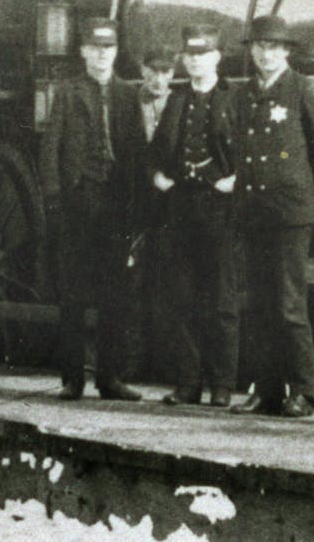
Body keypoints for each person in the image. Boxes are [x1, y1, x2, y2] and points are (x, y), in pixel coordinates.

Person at [230, 15, 314, 419]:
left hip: (290, 214)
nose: (265, 53)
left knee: (291, 303)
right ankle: (267, 389)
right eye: (259, 46)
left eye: (274, 47)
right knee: (258, 303)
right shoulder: (245, 96)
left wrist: (301, 190)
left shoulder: (304, 90)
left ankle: (304, 392)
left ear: (287, 51)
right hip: (253, 211)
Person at [39, 18, 144, 402]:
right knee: (73, 292)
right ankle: (72, 378)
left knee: (115, 293)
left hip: (115, 201)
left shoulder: (128, 95)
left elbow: (135, 153)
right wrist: (54, 197)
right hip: (78, 200)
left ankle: (110, 378)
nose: (102, 55)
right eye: (95, 48)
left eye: (109, 48)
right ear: (84, 51)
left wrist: (137, 204)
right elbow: (50, 147)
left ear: (116, 52)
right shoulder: (67, 92)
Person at [146, 24, 239, 407]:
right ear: (183, 60)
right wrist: (158, 176)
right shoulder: (177, 100)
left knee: (220, 299)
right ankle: (188, 383)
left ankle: (221, 386)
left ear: (217, 58)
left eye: (204, 55)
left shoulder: (235, 98)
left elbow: (255, 148)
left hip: (219, 210)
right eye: (191, 55)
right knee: (180, 297)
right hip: (180, 208)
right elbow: (155, 150)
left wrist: (235, 179)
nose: (196, 61)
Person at [126, 45, 179, 381]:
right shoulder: (129, 102)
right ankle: (133, 361)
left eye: (165, 72)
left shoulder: (180, 103)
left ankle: (165, 360)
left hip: (169, 202)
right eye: (152, 71)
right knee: (133, 282)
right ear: (142, 69)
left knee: (167, 281)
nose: (158, 79)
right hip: (135, 199)